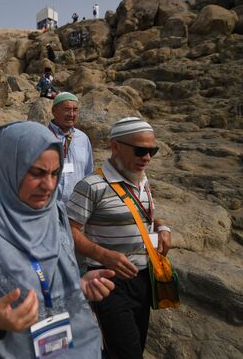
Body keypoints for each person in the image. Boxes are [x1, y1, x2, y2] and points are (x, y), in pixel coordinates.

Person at [0, 121, 115, 358]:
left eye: (55, 173)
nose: (48, 185)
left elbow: (46, 277)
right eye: (36, 173)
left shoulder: (55, 215)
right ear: (8, 168)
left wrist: (80, 285)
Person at [67, 117, 172, 358]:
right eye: (140, 150)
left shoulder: (142, 180)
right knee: (127, 352)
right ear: (115, 146)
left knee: (132, 345)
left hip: (143, 277)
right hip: (108, 280)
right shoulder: (91, 185)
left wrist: (163, 227)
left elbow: (143, 215)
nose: (146, 157)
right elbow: (67, 231)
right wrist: (104, 255)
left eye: (151, 151)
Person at [47, 92, 93, 203]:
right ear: (54, 111)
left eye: (75, 110)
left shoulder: (83, 138)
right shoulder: (42, 136)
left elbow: (88, 172)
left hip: (76, 206)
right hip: (49, 207)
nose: (71, 114)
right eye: (67, 109)